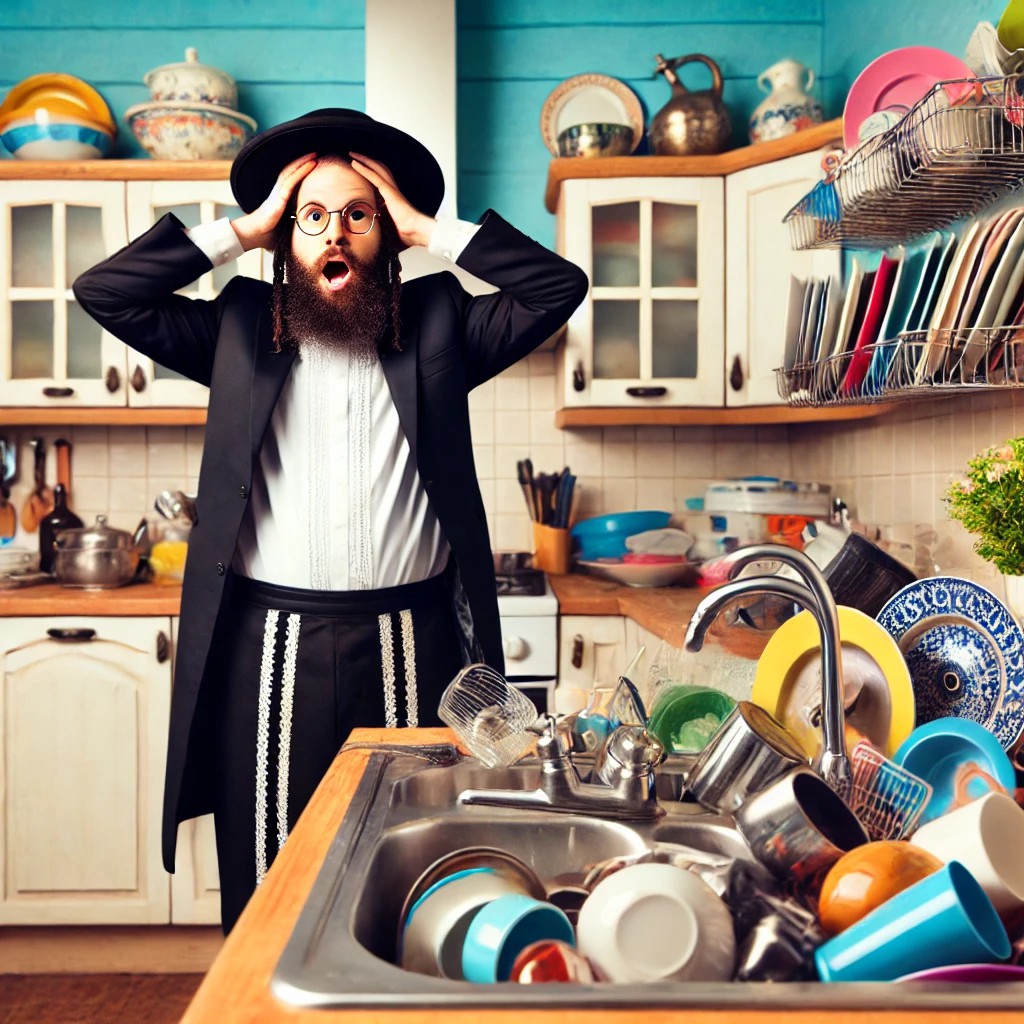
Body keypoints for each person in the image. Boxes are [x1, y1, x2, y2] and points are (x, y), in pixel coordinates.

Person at [73, 108, 588, 933]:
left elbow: (559, 286)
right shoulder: (238, 328)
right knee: (276, 877)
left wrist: (432, 230)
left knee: (407, 865)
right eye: (313, 216)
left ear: (387, 233)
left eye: (359, 214)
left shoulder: (440, 326)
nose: (335, 233)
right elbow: (104, 291)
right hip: (269, 645)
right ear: (288, 234)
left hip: (411, 640)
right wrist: (244, 231)